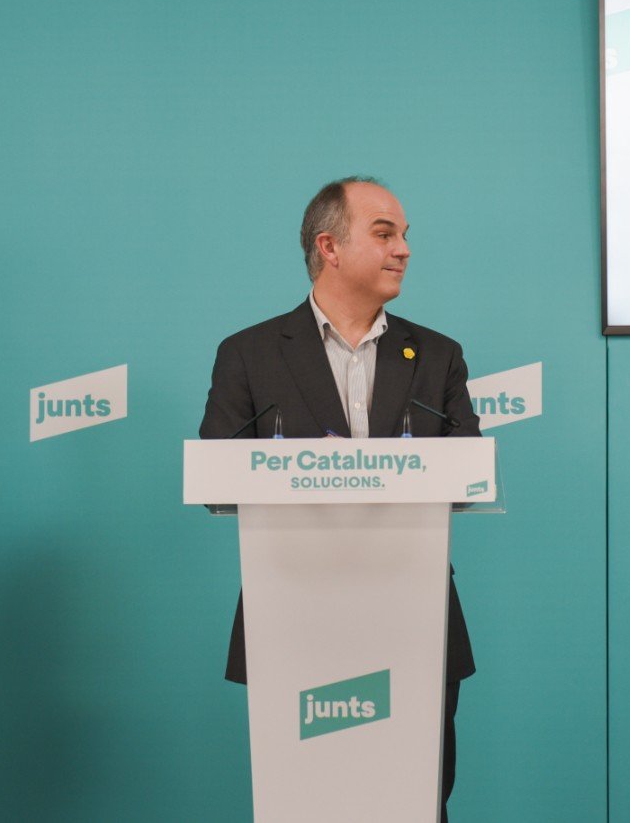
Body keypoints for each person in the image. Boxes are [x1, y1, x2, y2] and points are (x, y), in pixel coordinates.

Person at [199, 177, 478, 817]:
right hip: (293, 617)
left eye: (405, 235)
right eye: (385, 233)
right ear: (329, 245)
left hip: (415, 616)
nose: (403, 248)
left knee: (415, 801)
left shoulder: (437, 356)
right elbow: (216, 472)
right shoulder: (249, 354)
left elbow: (468, 471)